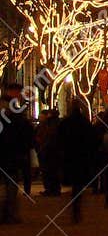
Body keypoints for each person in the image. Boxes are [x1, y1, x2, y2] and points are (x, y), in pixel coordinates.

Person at [57, 99, 99, 224]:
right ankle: (77, 208)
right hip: (82, 157)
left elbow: (59, 140)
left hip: (69, 157)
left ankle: (75, 207)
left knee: (74, 184)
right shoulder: (85, 123)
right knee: (78, 185)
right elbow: (92, 141)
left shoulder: (65, 123)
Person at [0, 87, 35, 224]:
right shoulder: (18, 120)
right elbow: (26, 138)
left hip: (9, 157)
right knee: (10, 186)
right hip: (12, 157)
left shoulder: (14, 120)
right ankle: (9, 213)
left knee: (9, 187)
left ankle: (8, 213)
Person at [37, 107, 62, 196]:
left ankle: (51, 189)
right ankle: (54, 189)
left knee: (48, 171)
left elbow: (47, 137)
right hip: (53, 151)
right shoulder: (57, 124)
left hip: (48, 151)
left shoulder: (48, 125)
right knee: (52, 171)